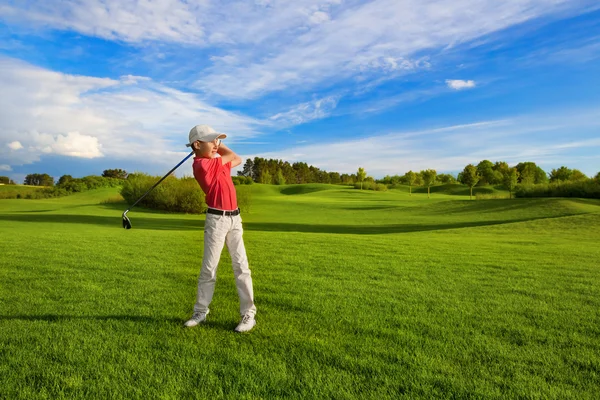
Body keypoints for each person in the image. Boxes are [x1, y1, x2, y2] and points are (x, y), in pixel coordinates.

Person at [184, 124, 257, 333]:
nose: (216, 144)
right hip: (216, 220)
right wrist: (219, 147)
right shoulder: (202, 166)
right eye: (212, 140)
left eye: (218, 140)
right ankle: (200, 311)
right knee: (209, 269)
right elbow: (232, 156)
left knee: (242, 267)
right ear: (197, 145)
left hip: (235, 219)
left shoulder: (215, 161)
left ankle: (248, 314)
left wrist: (217, 144)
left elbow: (237, 159)